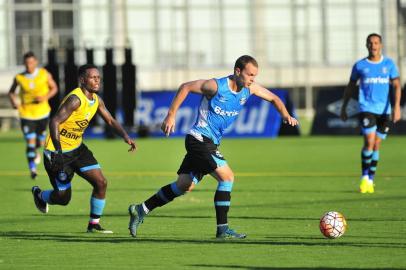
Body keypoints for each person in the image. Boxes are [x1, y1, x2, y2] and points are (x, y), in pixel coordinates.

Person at [128, 55, 298, 239]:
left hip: (208, 143)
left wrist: (285, 115)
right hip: (199, 140)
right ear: (238, 71)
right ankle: (222, 230)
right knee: (227, 178)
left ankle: (141, 209)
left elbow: (274, 98)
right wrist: (171, 115)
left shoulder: (250, 89)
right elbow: (186, 87)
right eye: (250, 75)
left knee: (184, 185)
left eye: (255, 76)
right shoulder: (216, 86)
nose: (252, 79)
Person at [31, 64, 136, 233]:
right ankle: (40, 195)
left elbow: (110, 120)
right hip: (57, 152)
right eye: (93, 77)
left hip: (78, 150)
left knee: (101, 182)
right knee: (64, 199)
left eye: (98, 77)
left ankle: (93, 225)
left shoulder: (96, 100)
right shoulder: (75, 99)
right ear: (82, 80)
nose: (97, 80)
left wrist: (125, 136)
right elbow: (54, 122)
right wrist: (58, 151)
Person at [341, 33, 402, 194]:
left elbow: (396, 85)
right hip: (366, 108)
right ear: (366, 45)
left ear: (380, 45)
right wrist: (344, 107)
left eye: (376, 43)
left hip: (385, 111)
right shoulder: (360, 66)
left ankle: (371, 179)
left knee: (376, 144)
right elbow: (351, 86)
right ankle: (364, 177)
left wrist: (396, 107)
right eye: (370, 43)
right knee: (369, 141)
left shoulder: (389, 64)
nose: (373, 46)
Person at [8, 52, 58, 179]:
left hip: (42, 113)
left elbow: (54, 88)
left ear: (35, 62)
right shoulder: (19, 77)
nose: (29, 65)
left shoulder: (44, 74)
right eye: (26, 63)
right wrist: (14, 102)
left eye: (31, 62)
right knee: (30, 142)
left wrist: (45, 97)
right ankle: (33, 170)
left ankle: (35, 151)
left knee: (40, 143)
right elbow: (11, 92)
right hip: (26, 114)